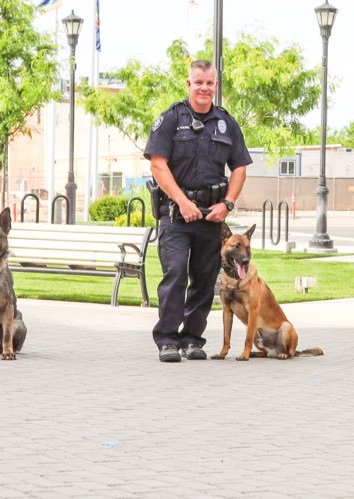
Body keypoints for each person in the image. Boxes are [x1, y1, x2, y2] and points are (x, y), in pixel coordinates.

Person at [142, 60, 250, 363]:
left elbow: (240, 167)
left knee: (204, 279)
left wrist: (227, 204)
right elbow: (158, 165)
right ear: (188, 84)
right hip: (176, 214)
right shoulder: (171, 119)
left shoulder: (226, 123)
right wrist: (182, 202)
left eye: (209, 83)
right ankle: (167, 340)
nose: (204, 88)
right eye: (199, 82)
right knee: (175, 274)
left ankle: (192, 339)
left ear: (216, 85)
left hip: (211, 217)